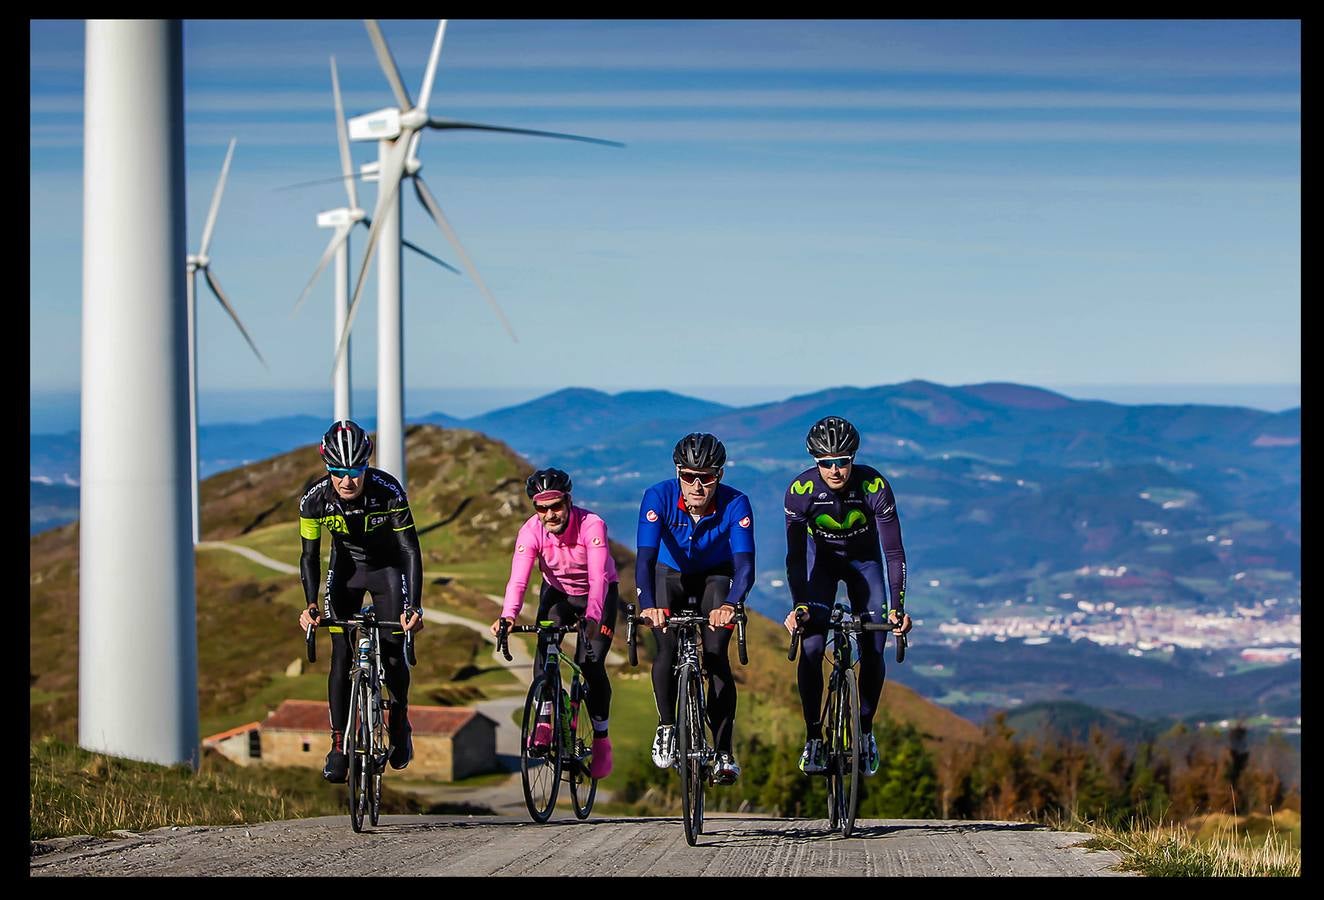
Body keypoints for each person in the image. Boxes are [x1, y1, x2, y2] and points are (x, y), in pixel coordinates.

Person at [781, 415, 912, 777]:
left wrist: (898, 608)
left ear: (853, 458)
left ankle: (865, 733)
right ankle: (813, 738)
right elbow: (794, 557)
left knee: (873, 646)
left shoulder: (873, 485)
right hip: (819, 566)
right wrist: (799, 605)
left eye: (843, 461)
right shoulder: (800, 492)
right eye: (826, 463)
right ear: (815, 461)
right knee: (810, 648)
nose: (836, 470)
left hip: (864, 564)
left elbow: (894, 554)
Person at [297, 420, 425, 783]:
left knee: (394, 648)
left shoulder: (389, 492)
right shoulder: (314, 500)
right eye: (338, 472)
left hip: (387, 569)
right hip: (347, 571)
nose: (347, 481)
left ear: (366, 465)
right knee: (342, 652)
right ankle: (338, 746)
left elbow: (410, 549)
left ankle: (399, 721)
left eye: (354, 471)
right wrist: (310, 604)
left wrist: (413, 607)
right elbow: (309, 555)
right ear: (328, 469)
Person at [636, 432, 755, 785]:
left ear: (719, 475)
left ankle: (722, 752)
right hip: (668, 575)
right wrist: (648, 606)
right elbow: (644, 560)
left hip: (715, 577)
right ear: (678, 473)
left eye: (708, 477)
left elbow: (746, 565)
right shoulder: (658, 497)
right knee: (667, 648)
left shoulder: (737, 504)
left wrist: (732, 604)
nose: (698, 486)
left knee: (716, 654)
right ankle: (667, 726)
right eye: (689, 476)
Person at [491, 468, 619, 779]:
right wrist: (508, 616)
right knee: (545, 648)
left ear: (568, 501)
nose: (550, 514)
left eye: (556, 506)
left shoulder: (592, 525)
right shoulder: (530, 531)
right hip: (558, 594)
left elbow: (599, 577)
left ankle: (601, 739)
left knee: (590, 665)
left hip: (598, 594)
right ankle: (546, 716)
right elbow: (518, 581)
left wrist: (592, 617)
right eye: (541, 507)